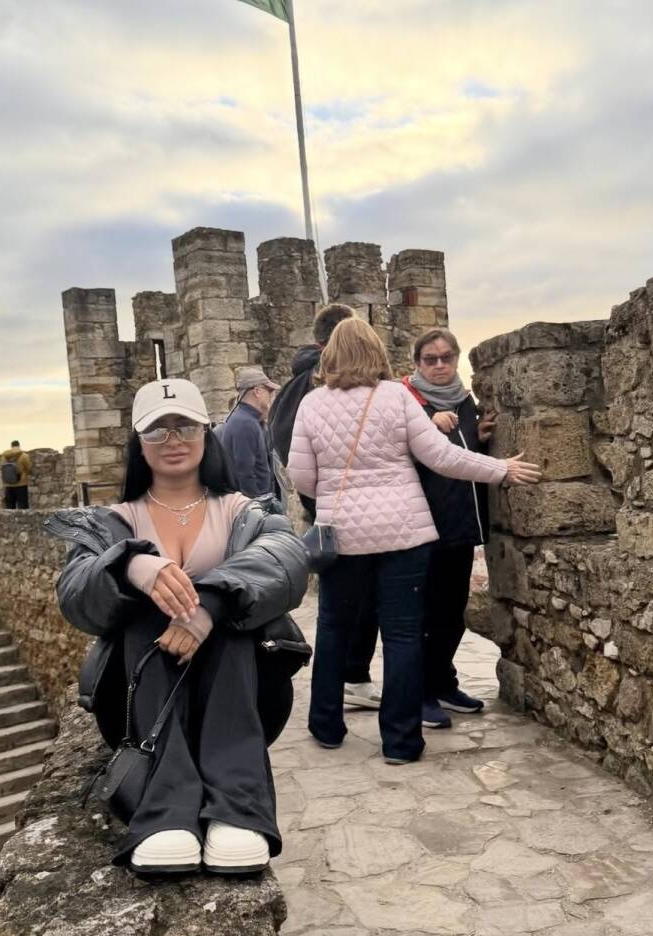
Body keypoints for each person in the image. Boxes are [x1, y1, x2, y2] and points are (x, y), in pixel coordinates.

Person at [47, 377, 309, 876]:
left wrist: (208, 603)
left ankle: (238, 805)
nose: (173, 440)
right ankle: (164, 809)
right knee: (149, 604)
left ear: (206, 434)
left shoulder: (245, 512)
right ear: (139, 443)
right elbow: (76, 595)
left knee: (230, 606)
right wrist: (130, 565)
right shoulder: (111, 524)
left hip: (239, 691)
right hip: (140, 698)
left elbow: (287, 560)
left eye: (185, 427)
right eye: (157, 430)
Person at [287, 317, 540, 764]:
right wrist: (500, 469)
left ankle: (326, 726)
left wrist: (333, 494)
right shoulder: (395, 396)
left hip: (342, 536)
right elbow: (440, 456)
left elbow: (301, 477)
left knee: (333, 628)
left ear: (330, 355)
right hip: (403, 532)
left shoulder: (311, 404)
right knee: (403, 634)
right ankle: (401, 742)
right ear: (376, 352)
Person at [269, 303, 381, 712]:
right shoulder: (322, 383)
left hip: (322, 507)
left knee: (338, 608)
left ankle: (331, 705)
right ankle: (354, 677)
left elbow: (287, 450)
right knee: (361, 601)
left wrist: (318, 497)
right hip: (349, 507)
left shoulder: (292, 386)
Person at [404, 328, 499, 728]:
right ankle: (421, 694)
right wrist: (428, 425)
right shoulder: (409, 403)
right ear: (417, 363)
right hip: (426, 526)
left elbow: (464, 454)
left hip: (461, 524)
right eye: (431, 359)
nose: (440, 365)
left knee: (452, 614)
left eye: (447, 357)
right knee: (427, 616)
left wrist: (477, 438)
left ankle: (444, 683)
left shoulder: (464, 401)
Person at [219, 368, 280, 498]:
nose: (270, 396)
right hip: (255, 502)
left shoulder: (245, 419)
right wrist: (258, 504)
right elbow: (245, 472)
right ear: (257, 391)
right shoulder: (245, 423)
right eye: (268, 391)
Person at [0, 441, 32, 509]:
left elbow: (2, 467)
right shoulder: (24, 456)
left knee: (9, 508)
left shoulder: (4, 456)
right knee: (23, 506)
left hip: (8, 484)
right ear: (19, 446)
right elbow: (29, 468)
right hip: (21, 484)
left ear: (11, 446)